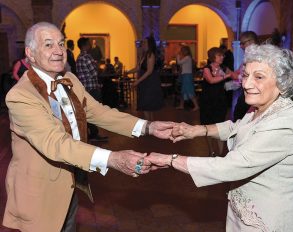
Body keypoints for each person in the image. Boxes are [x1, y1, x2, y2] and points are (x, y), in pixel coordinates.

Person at [2, 22, 174, 232]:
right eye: (48, 45)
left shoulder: (69, 79)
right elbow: (55, 143)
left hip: (71, 182)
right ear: (30, 53)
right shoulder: (21, 96)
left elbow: (98, 112)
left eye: (61, 43)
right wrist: (113, 159)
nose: (58, 51)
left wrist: (148, 126)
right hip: (40, 191)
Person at [147, 44, 293, 231]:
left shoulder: (286, 121)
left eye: (258, 77)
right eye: (246, 75)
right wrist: (196, 130)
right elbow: (236, 127)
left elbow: (232, 165)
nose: (246, 84)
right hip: (243, 209)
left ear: (282, 82)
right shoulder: (261, 106)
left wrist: (169, 160)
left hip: (267, 218)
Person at [200, 47, 234, 156]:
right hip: (208, 102)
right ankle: (211, 151)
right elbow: (211, 80)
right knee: (208, 127)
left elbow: (235, 75)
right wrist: (226, 75)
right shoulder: (207, 69)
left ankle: (220, 154)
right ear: (213, 57)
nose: (222, 57)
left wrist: (241, 72)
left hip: (220, 101)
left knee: (220, 127)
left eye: (222, 55)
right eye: (219, 55)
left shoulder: (224, 68)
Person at [76, 37, 108, 142]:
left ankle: (91, 133)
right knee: (95, 112)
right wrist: (98, 66)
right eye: (89, 44)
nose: (90, 46)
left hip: (84, 89)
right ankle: (94, 135)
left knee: (88, 111)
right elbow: (95, 74)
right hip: (92, 88)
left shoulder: (79, 57)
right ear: (85, 46)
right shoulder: (87, 57)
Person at [127, 35, 164, 121]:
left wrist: (137, 81)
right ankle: (150, 125)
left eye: (144, 43)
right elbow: (137, 68)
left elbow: (149, 71)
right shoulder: (144, 55)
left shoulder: (150, 55)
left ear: (149, 44)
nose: (142, 44)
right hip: (145, 82)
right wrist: (128, 72)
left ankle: (149, 127)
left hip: (150, 82)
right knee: (147, 107)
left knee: (147, 105)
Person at [231, 31, 258, 121]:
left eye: (243, 43)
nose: (241, 46)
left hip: (253, 91)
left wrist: (237, 77)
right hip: (247, 91)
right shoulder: (249, 55)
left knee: (240, 116)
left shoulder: (256, 55)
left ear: (251, 41)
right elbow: (240, 70)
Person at [175, 45, 199, 111]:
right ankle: (181, 105)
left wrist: (177, 55)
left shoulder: (188, 57)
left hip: (187, 76)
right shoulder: (187, 57)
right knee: (183, 91)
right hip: (185, 75)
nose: (181, 51)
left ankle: (196, 106)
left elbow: (179, 63)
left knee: (189, 91)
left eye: (182, 50)